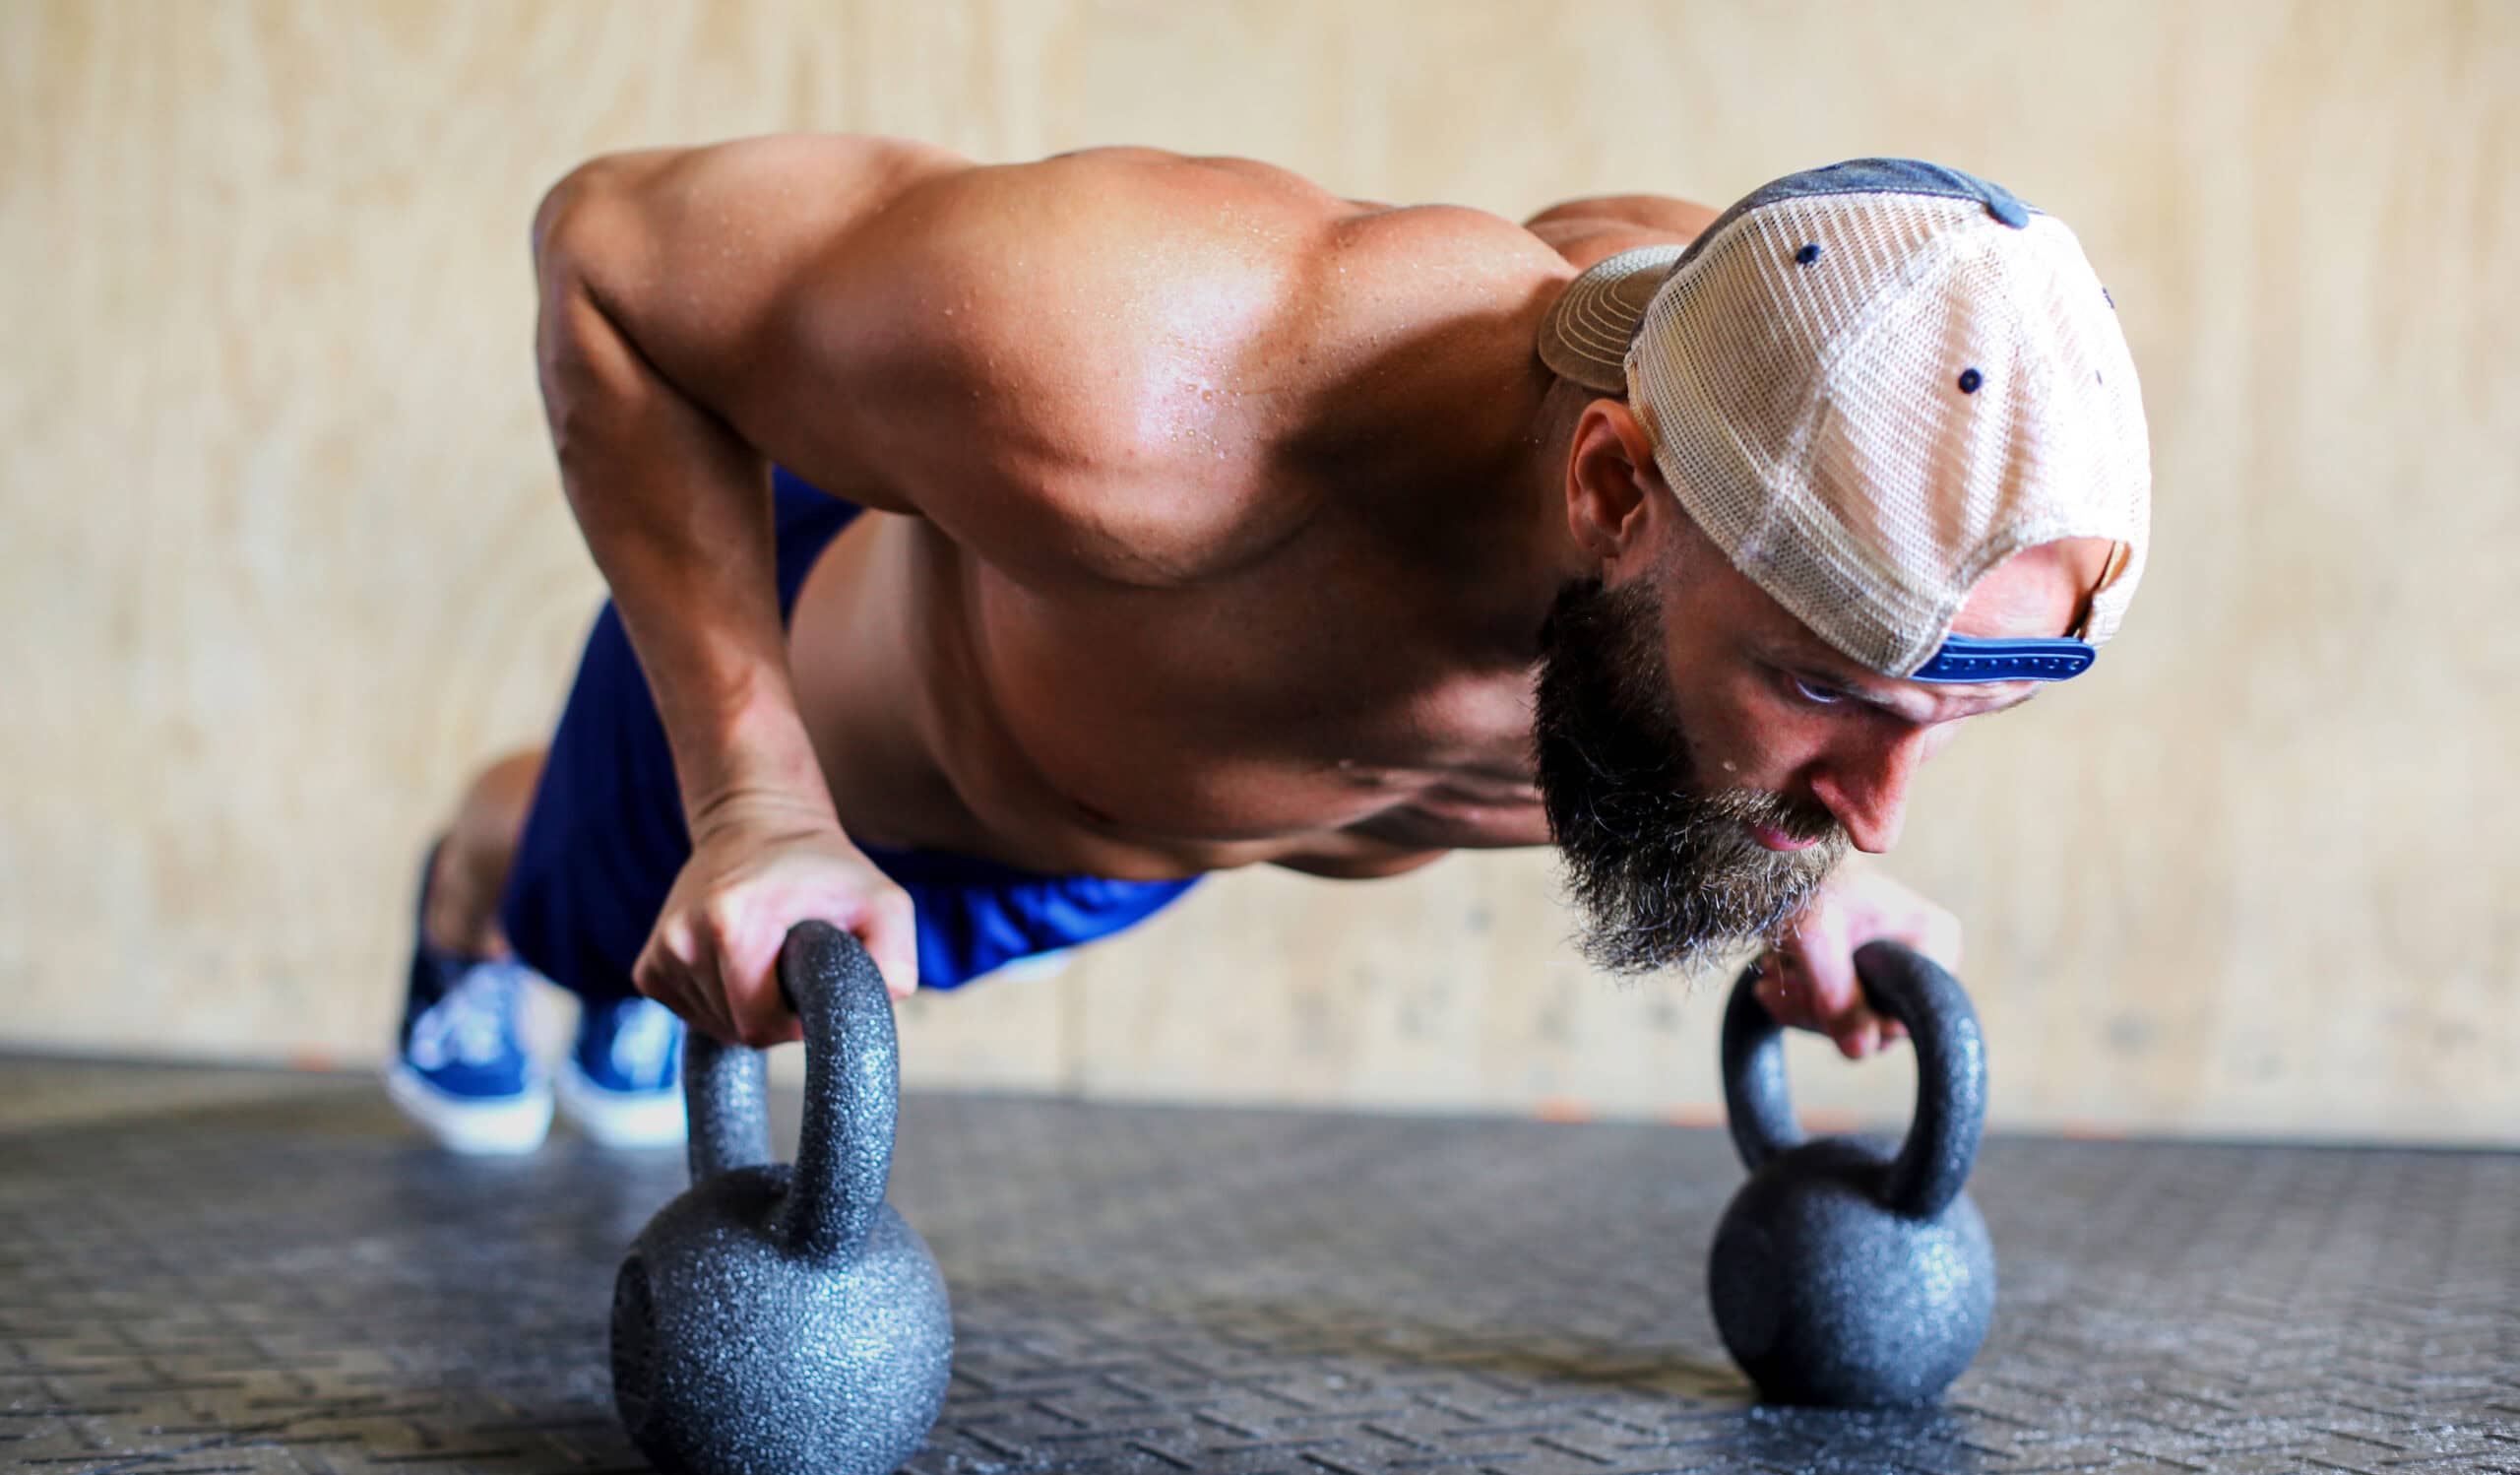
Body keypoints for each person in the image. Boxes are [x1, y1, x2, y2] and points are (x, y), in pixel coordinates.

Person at [386, 144, 2148, 1154]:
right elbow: (607, 255)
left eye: (1935, 716)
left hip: (1139, 813)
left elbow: (1845, 653)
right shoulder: (1145, 373)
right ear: (1616, 488)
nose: (1886, 812)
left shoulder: (1789, 431)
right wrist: (753, 802)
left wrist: (1793, 866)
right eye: (1828, 692)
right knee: (568, 906)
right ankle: (470, 915)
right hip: (875, 743)